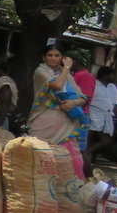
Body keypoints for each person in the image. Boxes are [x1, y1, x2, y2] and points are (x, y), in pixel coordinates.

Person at [27, 44, 88, 177]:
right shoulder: (41, 71)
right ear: (44, 57)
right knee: (38, 157)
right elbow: (58, 85)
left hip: (65, 123)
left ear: (62, 57)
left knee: (71, 162)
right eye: (50, 55)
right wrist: (67, 67)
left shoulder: (65, 74)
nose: (53, 58)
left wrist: (73, 102)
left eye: (57, 55)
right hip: (44, 122)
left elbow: (82, 97)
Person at [85, 66, 117, 169]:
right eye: (111, 74)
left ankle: (88, 152)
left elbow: (115, 104)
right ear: (105, 75)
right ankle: (85, 155)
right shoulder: (94, 84)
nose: (113, 77)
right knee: (88, 137)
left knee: (107, 140)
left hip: (107, 117)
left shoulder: (113, 87)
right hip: (93, 114)